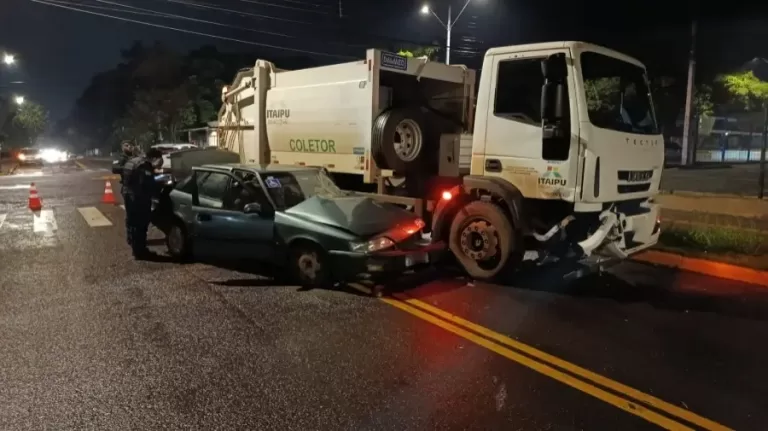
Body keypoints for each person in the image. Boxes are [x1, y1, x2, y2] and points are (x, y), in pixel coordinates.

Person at [122, 148, 163, 259]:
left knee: (131, 220)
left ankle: (133, 243)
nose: (159, 163)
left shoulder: (133, 161)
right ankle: (140, 251)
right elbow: (147, 184)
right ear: (154, 158)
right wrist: (159, 187)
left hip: (127, 194)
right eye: (159, 160)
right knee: (140, 222)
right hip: (138, 197)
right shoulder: (144, 166)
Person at [114, 142, 136, 246]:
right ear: (122, 148)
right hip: (128, 188)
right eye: (127, 145)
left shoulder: (136, 157)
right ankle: (130, 237)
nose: (129, 147)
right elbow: (115, 168)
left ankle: (138, 235)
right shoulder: (122, 158)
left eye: (131, 145)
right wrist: (128, 168)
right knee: (131, 214)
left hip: (138, 188)